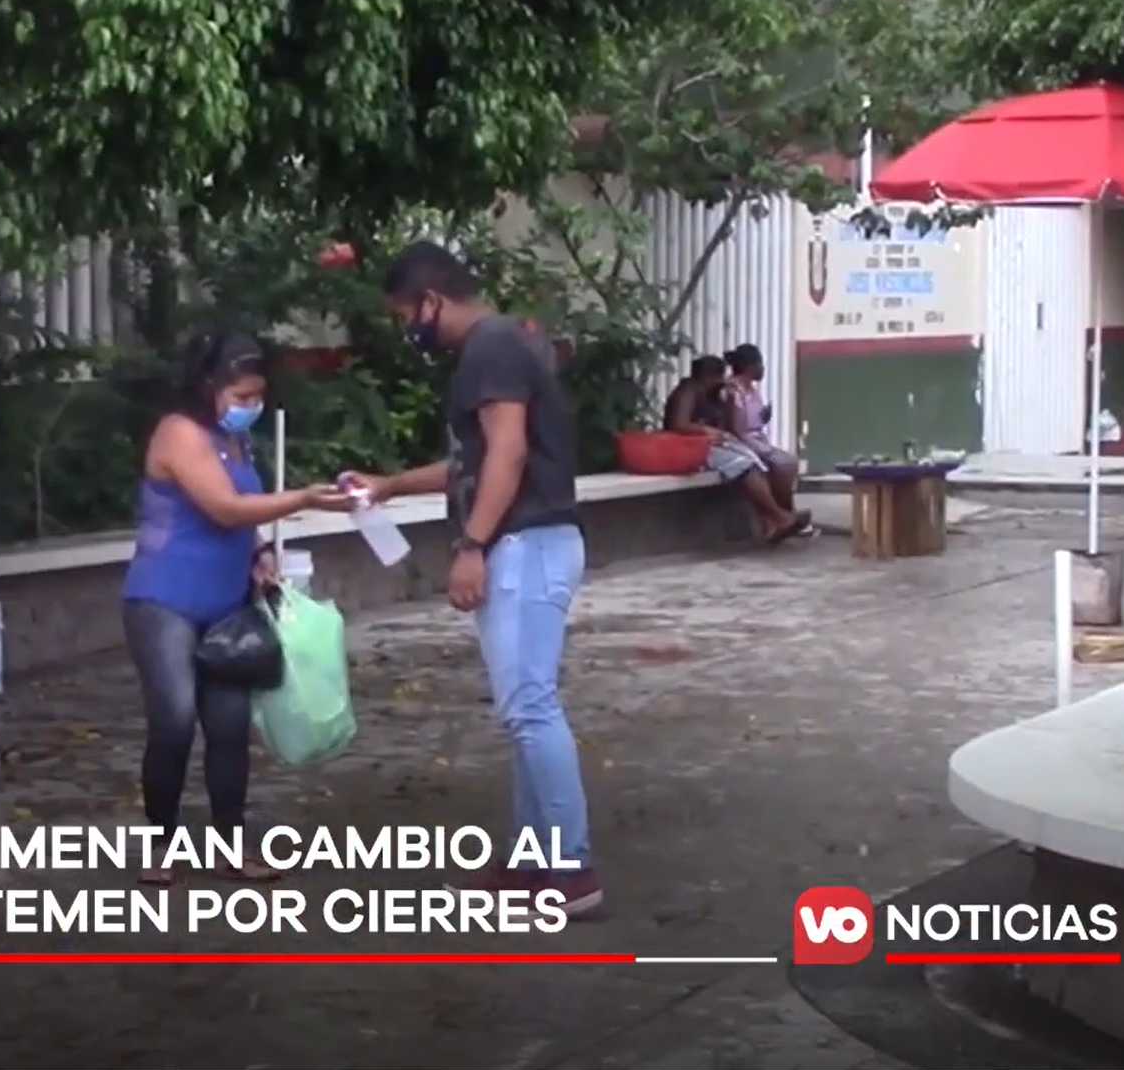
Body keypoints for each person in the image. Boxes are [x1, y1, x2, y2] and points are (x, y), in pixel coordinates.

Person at [343, 241, 602, 916]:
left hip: (524, 542)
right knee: (526, 706)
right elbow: (475, 462)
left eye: (406, 314)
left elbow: (507, 454)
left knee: (529, 707)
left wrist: (472, 545)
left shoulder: (491, 348)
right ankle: (532, 859)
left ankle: (571, 867)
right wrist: (390, 485)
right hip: (530, 541)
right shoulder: (498, 348)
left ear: (431, 301)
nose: (408, 329)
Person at [121, 332, 351, 887]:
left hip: (226, 600)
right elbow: (225, 508)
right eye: (242, 395)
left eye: (258, 396)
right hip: (165, 598)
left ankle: (231, 845)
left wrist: (260, 553)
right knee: (175, 719)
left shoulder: (234, 440)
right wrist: (303, 498)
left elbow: (244, 516)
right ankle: (161, 843)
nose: (252, 405)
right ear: (209, 386)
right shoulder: (179, 432)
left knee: (227, 726)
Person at [664, 355, 809, 543]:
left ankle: (771, 520)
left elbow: (725, 423)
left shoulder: (712, 394)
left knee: (758, 461)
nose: (721, 380)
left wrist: (729, 400)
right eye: (718, 377)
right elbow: (678, 424)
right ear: (708, 376)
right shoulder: (688, 392)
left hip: (711, 443)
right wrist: (705, 431)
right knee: (745, 465)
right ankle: (778, 517)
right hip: (688, 447)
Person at [723, 343, 803, 517]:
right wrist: (761, 449)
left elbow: (752, 421)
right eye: (760, 364)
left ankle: (786, 511)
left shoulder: (751, 390)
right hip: (741, 442)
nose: (763, 369)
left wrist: (763, 418)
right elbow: (736, 429)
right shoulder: (734, 390)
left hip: (756, 438)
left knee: (790, 462)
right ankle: (785, 512)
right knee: (784, 464)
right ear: (748, 366)